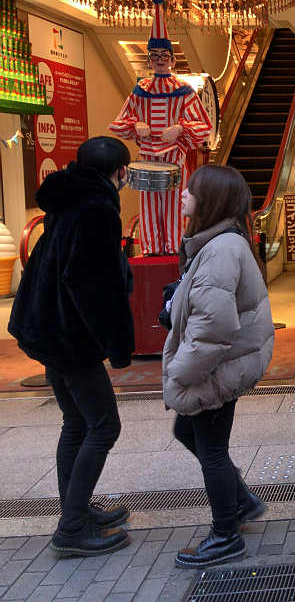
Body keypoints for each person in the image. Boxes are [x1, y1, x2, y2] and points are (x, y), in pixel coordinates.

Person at [8, 136, 135, 557]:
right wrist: (118, 344)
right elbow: (93, 286)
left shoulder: (66, 198)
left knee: (77, 422)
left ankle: (76, 511)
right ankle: (72, 528)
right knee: (103, 425)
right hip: (69, 337)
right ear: (119, 173)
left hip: (45, 330)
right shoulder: (97, 210)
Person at [163, 165, 273, 568]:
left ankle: (226, 534)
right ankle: (240, 502)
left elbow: (214, 328)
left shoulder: (221, 249)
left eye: (189, 191)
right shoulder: (214, 243)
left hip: (217, 367)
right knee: (188, 431)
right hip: (222, 361)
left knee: (211, 449)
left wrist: (181, 374)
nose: (182, 195)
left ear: (208, 200)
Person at [109, 0, 212, 256]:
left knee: (177, 206)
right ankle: (153, 250)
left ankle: (177, 251)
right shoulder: (140, 90)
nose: (159, 59)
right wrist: (136, 125)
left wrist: (181, 128)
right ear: (149, 59)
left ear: (172, 59)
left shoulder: (184, 90)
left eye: (164, 55)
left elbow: (204, 125)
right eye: (154, 55)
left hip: (175, 159)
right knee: (150, 207)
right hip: (146, 161)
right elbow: (119, 123)